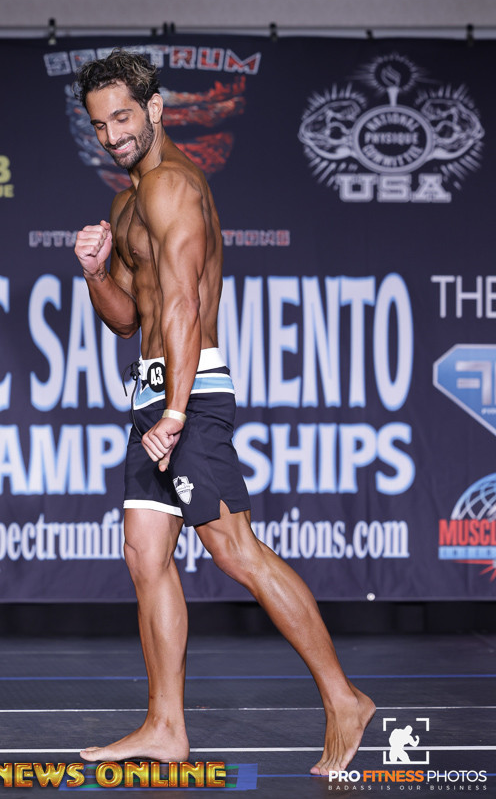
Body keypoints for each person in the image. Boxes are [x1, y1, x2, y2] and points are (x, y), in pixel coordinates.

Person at [73, 49, 375, 776]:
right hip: (151, 395)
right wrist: (94, 272)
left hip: (187, 396)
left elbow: (181, 305)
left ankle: (344, 699)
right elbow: (128, 318)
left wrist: (176, 414)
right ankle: (165, 726)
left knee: (236, 550)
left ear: (155, 108)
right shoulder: (127, 201)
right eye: (100, 124)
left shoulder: (173, 186)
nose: (113, 135)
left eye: (123, 117)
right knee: (146, 556)